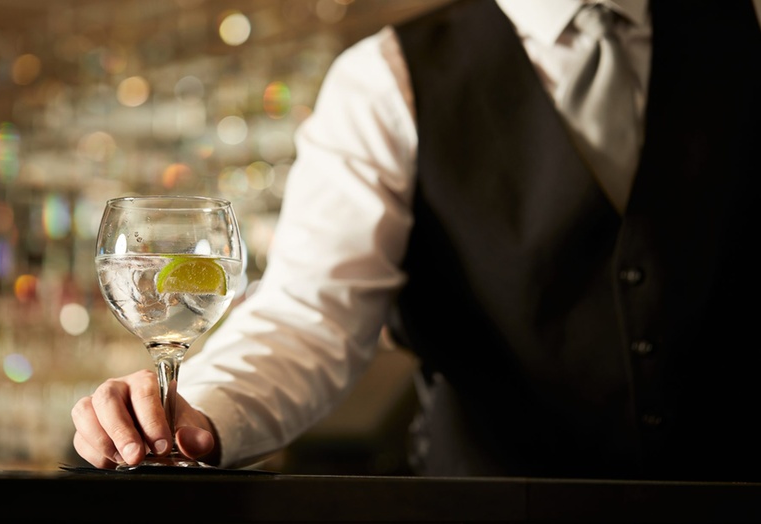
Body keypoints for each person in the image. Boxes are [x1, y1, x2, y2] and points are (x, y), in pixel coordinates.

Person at [71, 0, 761, 481]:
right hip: (484, 517)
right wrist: (202, 411)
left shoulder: (748, 29)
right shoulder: (385, 79)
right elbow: (310, 319)